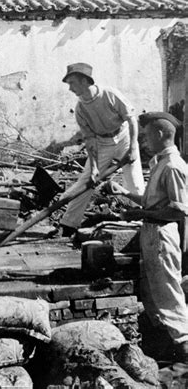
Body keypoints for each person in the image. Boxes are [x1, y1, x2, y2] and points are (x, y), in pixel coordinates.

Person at [115, 112, 188, 363]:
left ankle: (184, 345)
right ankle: (168, 347)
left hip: (162, 233)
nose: (144, 142)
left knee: (169, 292)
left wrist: (139, 213)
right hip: (151, 231)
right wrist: (125, 193)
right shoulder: (160, 164)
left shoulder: (173, 166)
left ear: (160, 134)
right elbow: (153, 202)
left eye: (146, 136)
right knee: (154, 293)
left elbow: (179, 210)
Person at [59, 63, 145, 235]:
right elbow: (90, 140)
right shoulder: (80, 108)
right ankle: (69, 224)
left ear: (85, 81)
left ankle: (141, 219)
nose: (70, 88)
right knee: (86, 182)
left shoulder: (110, 94)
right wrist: (95, 168)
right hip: (101, 144)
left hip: (123, 138)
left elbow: (131, 119)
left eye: (72, 83)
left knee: (134, 180)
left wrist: (134, 148)